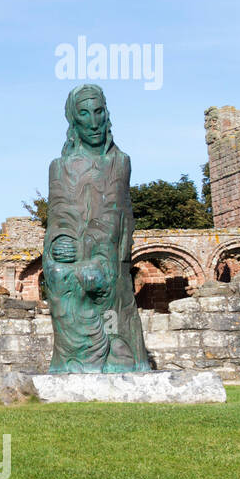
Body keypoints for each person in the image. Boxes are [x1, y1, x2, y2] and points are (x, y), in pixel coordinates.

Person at [43, 84, 150, 373]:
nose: (93, 122)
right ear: (73, 120)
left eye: (98, 112)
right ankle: (79, 359)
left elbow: (119, 214)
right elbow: (60, 214)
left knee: (115, 305)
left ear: (106, 114)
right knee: (63, 278)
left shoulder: (120, 162)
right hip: (78, 254)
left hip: (111, 257)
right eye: (84, 114)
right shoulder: (60, 166)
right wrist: (61, 242)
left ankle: (122, 356)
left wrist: (102, 255)